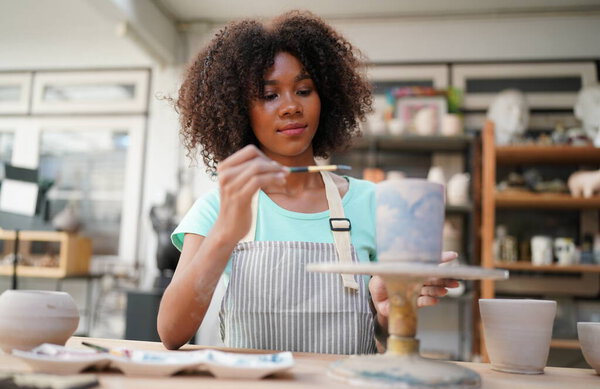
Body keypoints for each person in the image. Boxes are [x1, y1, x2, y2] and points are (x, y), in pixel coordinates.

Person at [157, 10, 458, 353]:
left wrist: (390, 316)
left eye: (303, 90)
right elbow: (171, 332)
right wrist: (226, 230)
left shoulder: (373, 202)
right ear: (238, 110)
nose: (290, 107)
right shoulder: (218, 207)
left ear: (325, 98)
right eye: (270, 95)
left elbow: (391, 338)